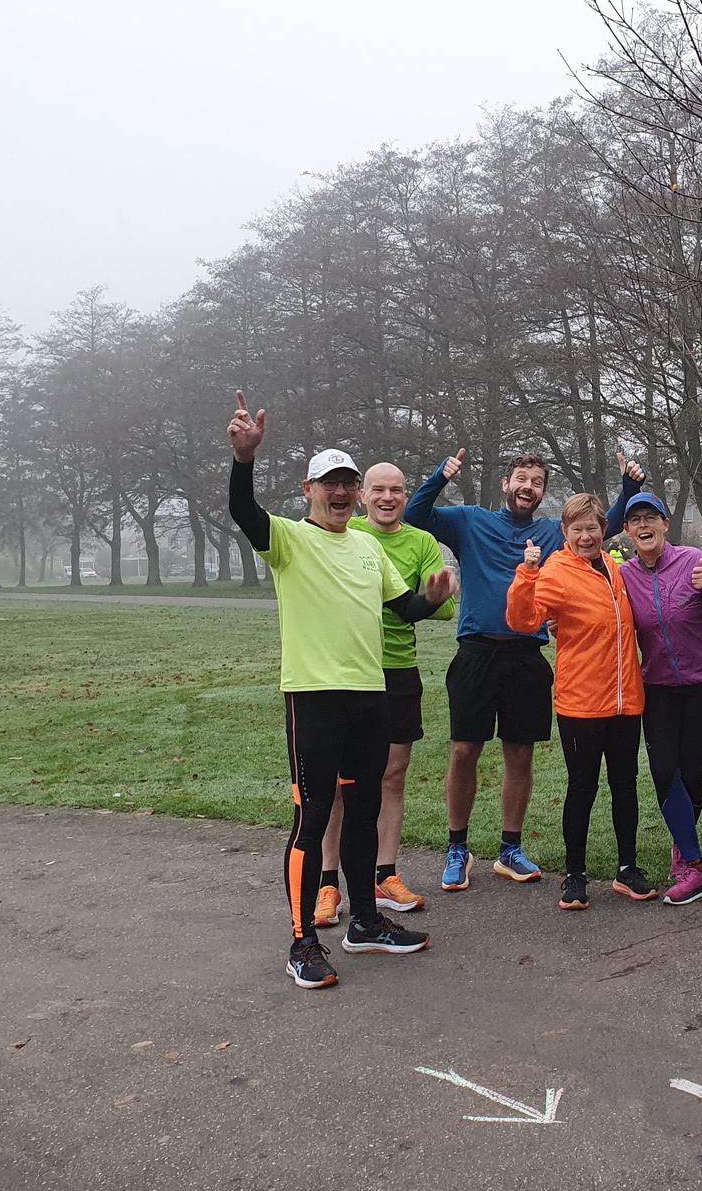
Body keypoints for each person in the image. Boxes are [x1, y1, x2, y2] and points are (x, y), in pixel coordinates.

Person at [225, 392, 446, 989]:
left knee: (365, 810)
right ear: (308, 490)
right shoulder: (288, 540)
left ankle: (366, 924)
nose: (343, 493)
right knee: (313, 814)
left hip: (369, 695)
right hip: (314, 696)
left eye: (349, 483)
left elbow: (402, 608)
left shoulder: (369, 546)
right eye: (331, 484)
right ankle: (302, 942)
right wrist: (244, 460)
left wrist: (434, 596)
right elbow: (243, 512)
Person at [406, 450, 640, 891]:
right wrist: (442, 474)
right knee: (463, 751)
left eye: (536, 481)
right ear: (505, 483)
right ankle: (458, 846)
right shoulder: (471, 521)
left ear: (543, 492)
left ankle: (510, 847)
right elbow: (418, 514)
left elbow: (597, 527)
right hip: (476, 652)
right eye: (521, 478)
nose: (528, 486)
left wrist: (628, 488)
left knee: (520, 753)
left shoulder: (552, 533)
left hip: (527, 659)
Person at [310, 462, 459, 928]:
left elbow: (442, 609)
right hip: (345, 671)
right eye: (378, 490)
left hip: (398, 672)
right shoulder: (343, 532)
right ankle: (328, 884)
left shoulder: (420, 542)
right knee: (336, 785)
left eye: (396, 490)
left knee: (391, 778)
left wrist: (431, 595)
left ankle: (384, 875)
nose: (387, 498)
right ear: (362, 495)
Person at [507, 492, 654, 909]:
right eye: (577, 530)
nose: (586, 536)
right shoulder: (554, 570)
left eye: (592, 528)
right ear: (564, 533)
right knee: (582, 788)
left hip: (627, 702)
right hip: (581, 704)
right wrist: (527, 573)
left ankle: (628, 868)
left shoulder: (616, 568)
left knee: (625, 786)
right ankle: (575, 875)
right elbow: (523, 620)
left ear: (603, 531)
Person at [603, 478, 702, 906]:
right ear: (627, 531)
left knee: (691, 773)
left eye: (650, 518)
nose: (643, 525)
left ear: (665, 523)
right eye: (635, 520)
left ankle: (685, 860)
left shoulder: (692, 561)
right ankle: (697, 866)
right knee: (664, 770)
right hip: (658, 685)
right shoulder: (623, 577)